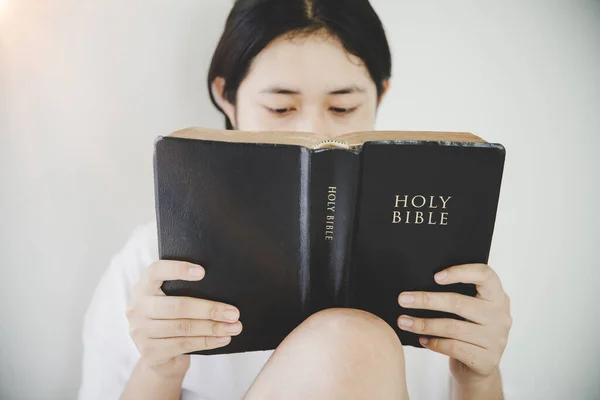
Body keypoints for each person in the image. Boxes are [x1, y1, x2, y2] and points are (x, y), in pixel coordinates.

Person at [78, 0, 513, 399]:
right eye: (280, 108)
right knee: (349, 340)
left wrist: (478, 377)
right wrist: (159, 371)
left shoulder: (439, 266)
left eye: (342, 109)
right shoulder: (152, 268)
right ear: (226, 97)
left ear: (381, 94)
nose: (316, 132)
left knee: (352, 341)